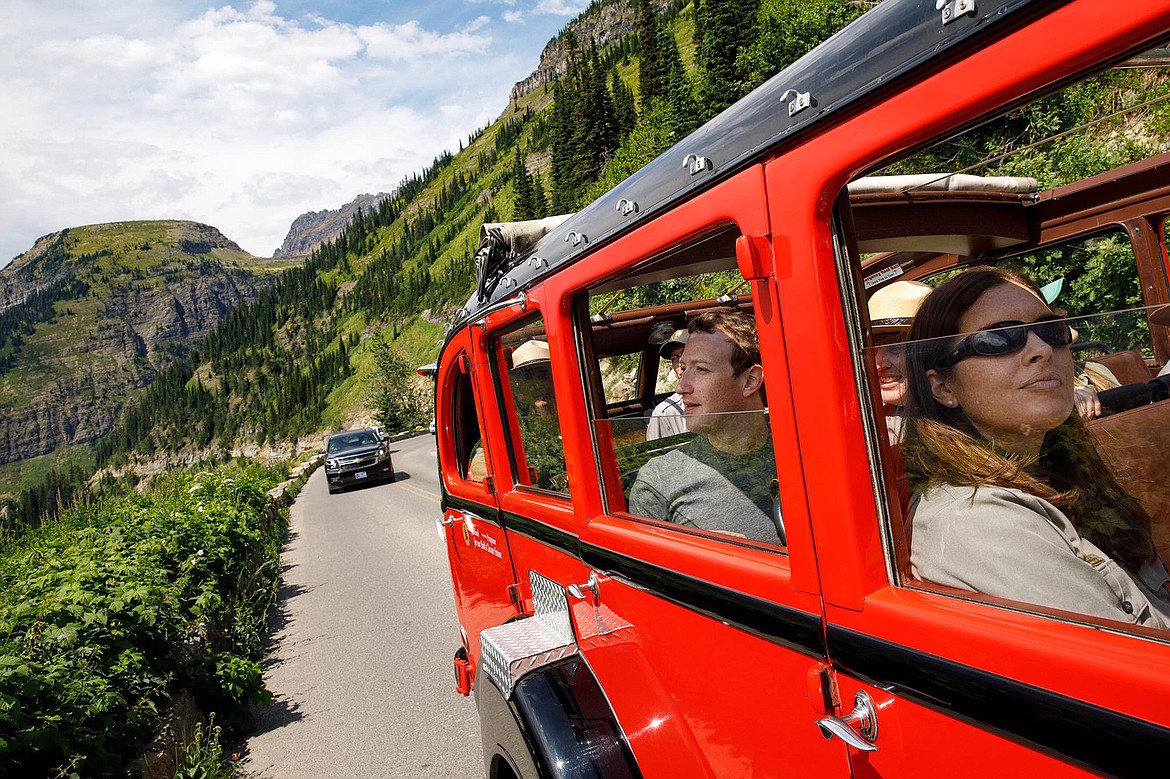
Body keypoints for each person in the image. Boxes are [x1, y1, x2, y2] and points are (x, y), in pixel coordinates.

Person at [901, 266, 1170, 629]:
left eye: (1050, 330)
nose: (1042, 349)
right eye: (998, 339)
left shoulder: (1057, 470)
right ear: (944, 388)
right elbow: (1126, 666)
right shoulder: (979, 520)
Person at [627, 310, 780, 544]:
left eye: (701, 369)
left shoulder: (809, 453)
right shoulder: (659, 481)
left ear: (750, 380)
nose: (681, 387)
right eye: (684, 367)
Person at [868, 280, 933, 443]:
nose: (881, 364)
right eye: (873, 350)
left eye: (895, 348)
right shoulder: (871, 420)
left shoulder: (965, 417)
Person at [646, 328, 688, 441]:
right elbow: (656, 457)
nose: (680, 364)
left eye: (686, 353)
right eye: (674, 358)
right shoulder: (665, 414)